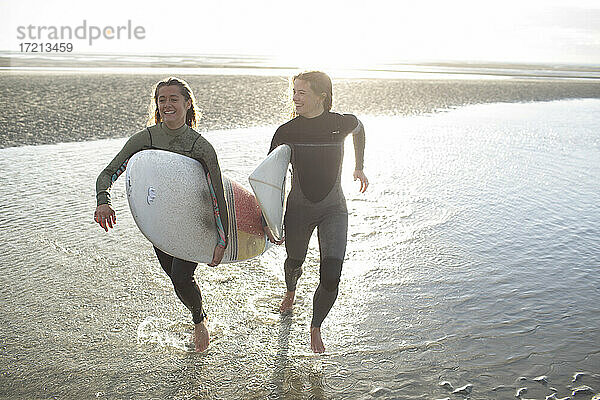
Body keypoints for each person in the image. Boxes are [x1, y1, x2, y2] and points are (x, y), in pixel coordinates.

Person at [93, 77, 229, 352]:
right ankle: (200, 314)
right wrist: (103, 201)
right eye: (162, 99)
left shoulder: (200, 146)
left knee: (181, 276)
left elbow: (217, 195)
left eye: (173, 99)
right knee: (174, 276)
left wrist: (221, 238)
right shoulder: (147, 139)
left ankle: (199, 321)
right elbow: (108, 173)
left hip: (194, 222)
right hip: (161, 224)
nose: (167, 104)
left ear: (187, 103)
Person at [267, 71, 369, 353]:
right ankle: (290, 291)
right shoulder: (286, 131)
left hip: (334, 209)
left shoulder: (340, 123)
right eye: (294, 92)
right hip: (299, 209)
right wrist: (270, 219)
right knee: (294, 261)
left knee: (332, 275)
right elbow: (270, 179)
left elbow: (359, 129)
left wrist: (359, 165)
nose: (295, 98)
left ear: (321, 96)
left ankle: (315, 326)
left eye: (302, 92)